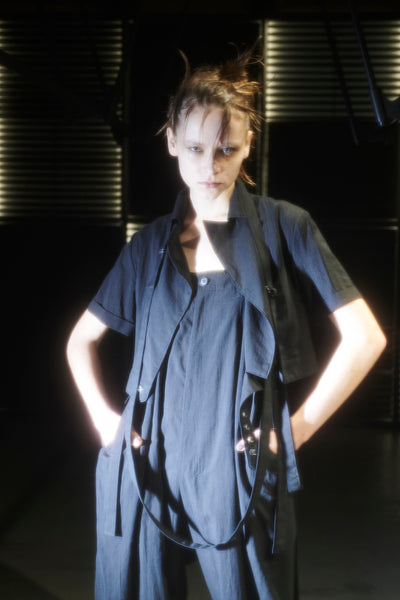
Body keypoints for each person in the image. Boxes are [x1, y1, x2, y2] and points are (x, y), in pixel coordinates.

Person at [66, 51, 386, 600]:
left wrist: (293, 432)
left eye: (226, 149)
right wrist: (105, 423)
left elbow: (366, 337)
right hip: (143, 462)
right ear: (171, 141)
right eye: (194, 148)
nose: (209, 166)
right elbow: (80, 341)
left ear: (247, 146)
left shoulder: (286, 226)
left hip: (236, 464)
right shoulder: (147, 246)